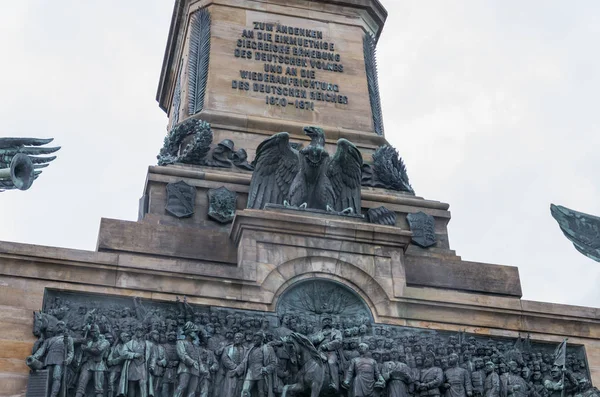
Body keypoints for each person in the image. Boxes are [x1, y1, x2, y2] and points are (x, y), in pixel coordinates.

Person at [27, 321, 74, 397]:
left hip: (60, 360)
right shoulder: (49, 340)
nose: (59, 326)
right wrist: (34, 357)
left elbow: (71, 352)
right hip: (49, 360)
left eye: (61, 325)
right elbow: (41, 350)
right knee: (47, 379)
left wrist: (68, 360)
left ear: (65, 327)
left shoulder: (68, 339)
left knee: (56, 377)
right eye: (57, 325)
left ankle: (53, 395)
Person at [309, 314, 344, 391]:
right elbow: (312, 341)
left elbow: (339, 341)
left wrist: (327, 346)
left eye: (329, 320)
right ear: (322, 322)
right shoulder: (318, 332)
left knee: (331, 362)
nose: (327, 322)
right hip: (319, 351)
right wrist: (322, 336)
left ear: (331, 322)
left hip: (331, 351)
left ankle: (335, 384)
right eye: (325, 320)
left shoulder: (336, 331)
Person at [75, 324, 110, 397]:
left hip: (99, 365)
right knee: (80, 386)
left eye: (95, 331)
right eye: (92, 332)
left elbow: (98, 351)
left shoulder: (105, 342)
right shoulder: (89, 342)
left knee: (99, 389)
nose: (93, 334)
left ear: (98, 331)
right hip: (87, 364)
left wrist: (86, 348)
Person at [240, 331, 277, 397]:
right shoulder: (251, 349)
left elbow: (274, 363)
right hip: (250, 373)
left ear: (262, 339)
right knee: (245, 391)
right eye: (254, 340)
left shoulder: (269, 349)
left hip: (262, 374)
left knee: (261, 392)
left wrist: (266, 369)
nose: (255, 341)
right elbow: (244, 361)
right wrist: (236, 370)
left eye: (257, 340)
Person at [174, 322, 205, 397]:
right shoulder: (180, 342)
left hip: (195, 370)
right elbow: (182, 354)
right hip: (185, 369)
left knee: (192, 391)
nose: (196, 334)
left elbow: (199, 359)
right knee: (182, 386)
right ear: (189, 332)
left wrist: (202, 367)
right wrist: (192, 362)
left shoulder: (196, 347)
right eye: (194, 332)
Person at [219, 332, 248, 397]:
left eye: (239, 337)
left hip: (241, 374)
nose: (237, 339)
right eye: (236, 337)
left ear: (242, 339)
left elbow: (246, 360)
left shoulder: (246, 350)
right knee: (229, 392)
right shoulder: (228, 348)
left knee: (240, 392)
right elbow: (225, 359)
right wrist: (234, 367)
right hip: (230, 372)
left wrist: (238, 369)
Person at [107, 332, 131, 397]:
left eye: (127, 337)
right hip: (115, 368)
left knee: (122, 386)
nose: (127, 338)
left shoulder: (130, 347)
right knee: (111, 383)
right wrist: (113, 361)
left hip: (126, 368)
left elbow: (124, 357)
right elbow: (110, 359)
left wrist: (115, 361)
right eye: (124, 337)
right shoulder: (117, 346)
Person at [160, 331, 180, 397]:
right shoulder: (163, 346)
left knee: (174, 387)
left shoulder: (178, 346)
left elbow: (181, 356)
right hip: (165, 369)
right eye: (170, 335)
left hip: (176, 369)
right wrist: (165, 363)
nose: (172, 337)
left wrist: (177, 362)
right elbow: (160, 356)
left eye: (174, 335)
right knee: (165, 386)